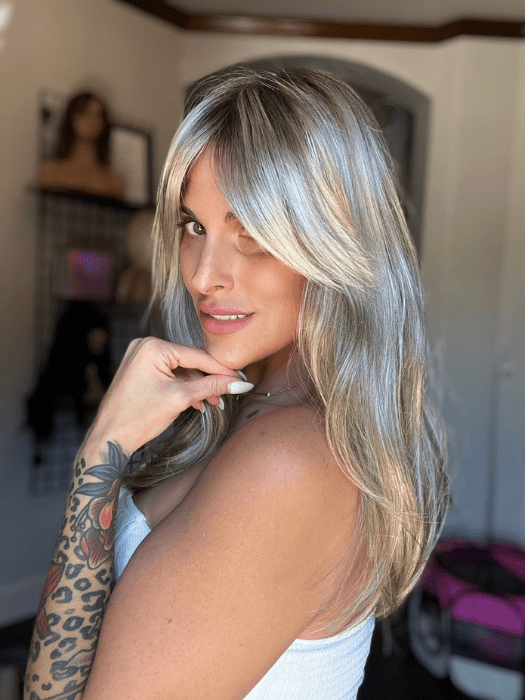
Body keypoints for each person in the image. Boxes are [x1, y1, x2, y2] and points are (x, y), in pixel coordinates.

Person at [25, 68, 450, 700]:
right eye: (194, 225)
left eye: (250, 233)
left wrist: (100, 454)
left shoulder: (287, 464)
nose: (203, 276)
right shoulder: (252, 408)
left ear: (335, 240)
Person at [37, 91, 124, 200]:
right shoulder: (50, 170)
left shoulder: (114, 181)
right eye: (84, 112)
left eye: (98, 115)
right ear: (71, 117)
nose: (91, 120)